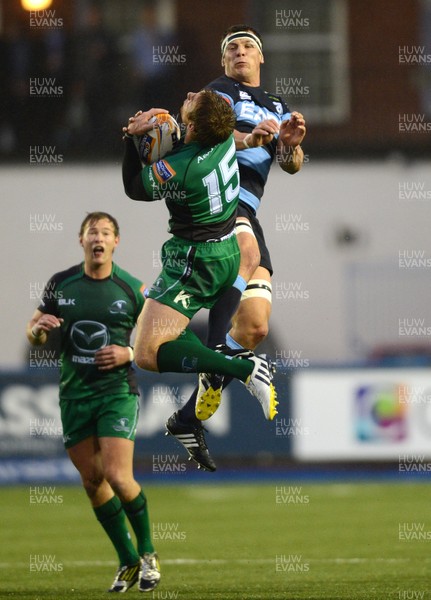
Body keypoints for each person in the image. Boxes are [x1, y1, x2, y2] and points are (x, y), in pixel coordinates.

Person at [163, 24, 307, 471]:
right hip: (218, 200)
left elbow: (292, 166)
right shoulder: (217, 93)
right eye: (232, 49)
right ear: (224, 62)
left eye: (248, 47)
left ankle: (188, 417)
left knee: (256, 329)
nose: (240, 52)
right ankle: (219, 351)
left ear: (261, 58)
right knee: (245, 258)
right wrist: (251, 138)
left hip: (250, 210)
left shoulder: (278, 105)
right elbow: (207, 134)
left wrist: (290, 145)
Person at [122, 89, 277, 469]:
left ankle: (242, 366)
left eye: (192, 100)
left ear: (191, 125)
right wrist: (249, 137)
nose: (188, 93)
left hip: (194, 260)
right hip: (228, 250)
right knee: (250, 254)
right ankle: (214, 360)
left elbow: (135, 188)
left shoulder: (181, 166)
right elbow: (230, 135)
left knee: (146, 353)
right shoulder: (222, 136)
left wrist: (132, 140)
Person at [26, 212, 160, 593]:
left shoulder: (132, 288)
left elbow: (160, 338)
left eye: (105, 232)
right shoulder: (61, 284)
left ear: (117, 242)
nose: (98, 238)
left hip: (116, 392)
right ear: (80, 241)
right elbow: (34, 330)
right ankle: (127, 560)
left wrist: (130, 352)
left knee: (118, 476)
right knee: (92, 480)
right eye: (91, 233)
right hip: (74, 395)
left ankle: (148, 553)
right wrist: (37, 332)